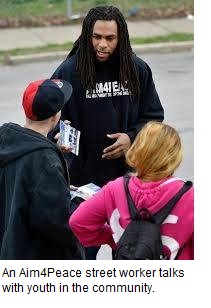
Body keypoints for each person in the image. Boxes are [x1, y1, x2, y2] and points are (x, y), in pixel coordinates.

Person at [50, 5, 164, 259]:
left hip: (128, 186)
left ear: (120, 37)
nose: (102, 44)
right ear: (87, 35)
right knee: (79, 261)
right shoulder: (68, 72)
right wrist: (58, 136)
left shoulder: (137, 70)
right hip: (81, 188)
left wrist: (131, 138)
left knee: (128, 264)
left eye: (110, 38)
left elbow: (154, 118)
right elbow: (48, 119)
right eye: (96, 37)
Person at [69, 121, 194, 260]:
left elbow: (78, 222)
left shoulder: (115, 188)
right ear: (175, 156)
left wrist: (116, 238)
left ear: (138, 148)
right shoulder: (189, 195)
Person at [0, 78, 84, 260]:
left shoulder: (6, 139)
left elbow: (21, 184)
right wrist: (80, 203)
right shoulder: (46, 161)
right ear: (55, 117)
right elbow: (59, 225)